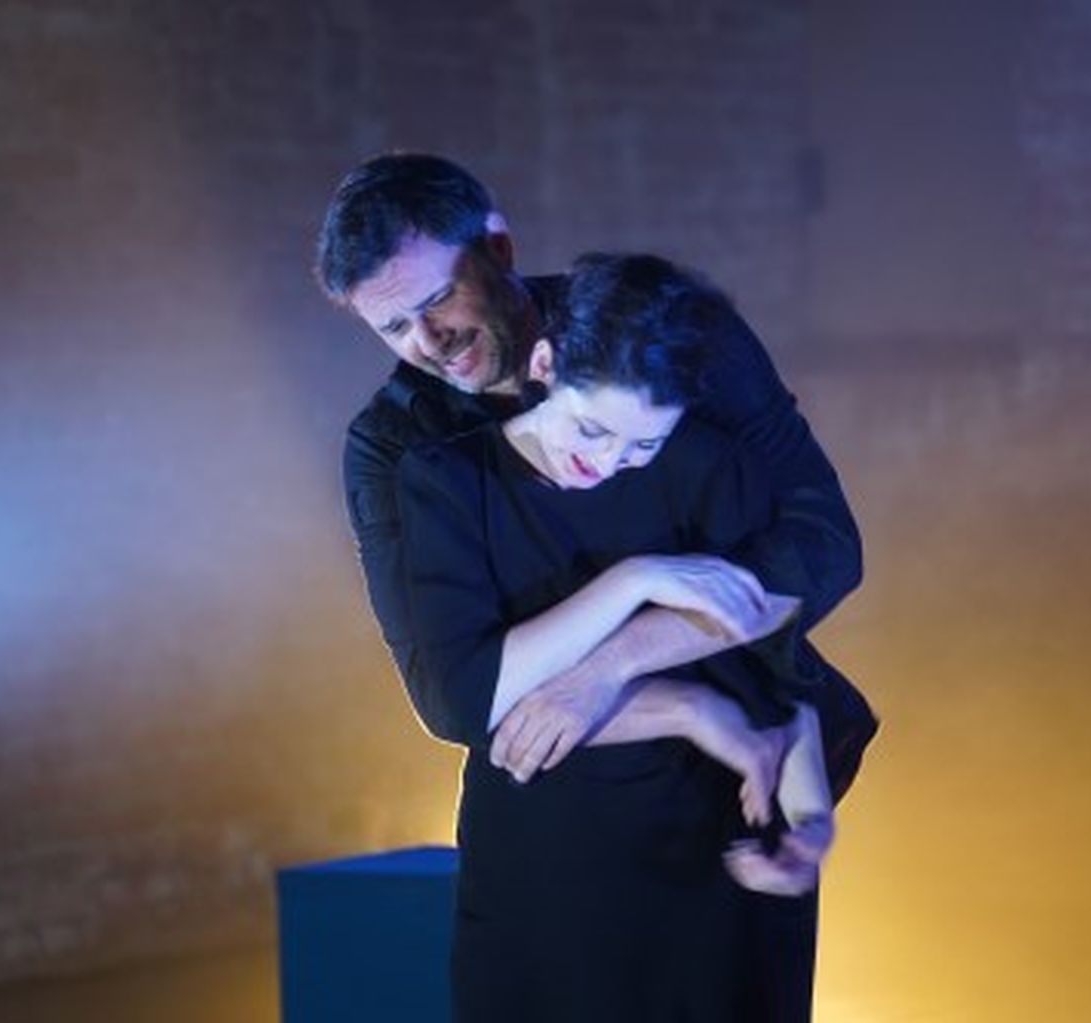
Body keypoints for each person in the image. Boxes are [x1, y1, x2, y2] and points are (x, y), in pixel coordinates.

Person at [316, 153, 878, 1018]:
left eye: (437, 301)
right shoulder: (399, 448)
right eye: (393, 327)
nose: (429, 343)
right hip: (549, 838)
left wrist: (611, 666)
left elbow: (820, 548)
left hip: (721, 809)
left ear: (498, 249)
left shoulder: (668, 340)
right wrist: (678, 693)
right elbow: (455, 699)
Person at [396, 253, 838, 1020]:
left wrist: (811, 821)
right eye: (592, 428)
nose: (606, 462)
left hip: (709, 859)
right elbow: (474, 700)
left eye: (641, 447)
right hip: (540, 874)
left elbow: (776, 668)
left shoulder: (705, 465)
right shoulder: (448, 482)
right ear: (544, 364)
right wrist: (636, 581)